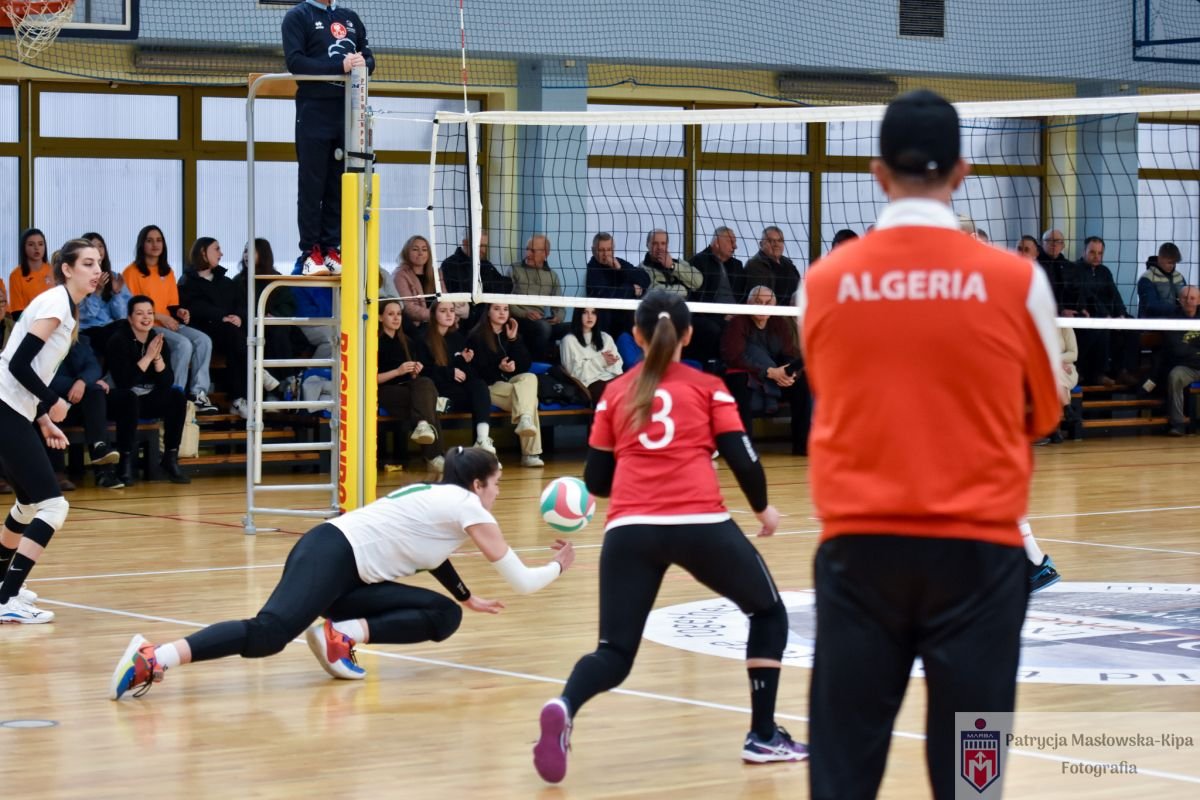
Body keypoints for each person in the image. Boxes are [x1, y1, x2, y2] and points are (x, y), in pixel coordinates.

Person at [798, 90, 1060, 800]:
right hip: (980, 561)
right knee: (974, 780)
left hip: (860, 556)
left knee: (842, 773)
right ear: (963, 171)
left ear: (879, 173)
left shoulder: (824, 283)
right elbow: (1043, 413)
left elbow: (832, 388)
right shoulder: (1018, 281)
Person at [532, 290, 804, 786]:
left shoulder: (615, 392)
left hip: (630, 530)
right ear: (689, 335)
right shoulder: (708, 387)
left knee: (614, 653)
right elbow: (743, 459)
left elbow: (596, 481)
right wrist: (763, 509)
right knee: (767, 613)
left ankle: (564, 704)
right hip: (700, 523)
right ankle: (763, 735)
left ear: (636, 336)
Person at [110, 446, 575, 699]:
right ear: (477, 484)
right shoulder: (468, 505)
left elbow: (433, 555)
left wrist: (465, 596)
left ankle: (342, 636)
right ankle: (154, 656)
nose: (497, 493)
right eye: (496, 484)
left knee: (445, 614)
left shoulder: (440, 497)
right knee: (269, 633)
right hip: (331, 556)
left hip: (343, 567)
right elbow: (522, 582)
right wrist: (559, 564)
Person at [0, 238, 103, 623]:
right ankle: (7, 599)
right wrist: (52, 402)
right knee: (54, 506)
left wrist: (42, 419)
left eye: (99, 263)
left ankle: (2, 588)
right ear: (67, 269)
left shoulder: (65, 306)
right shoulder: (56, 303)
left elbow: (26, 369)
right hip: (6, 407)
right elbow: (17, 365)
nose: (97, 271)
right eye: (88, 263)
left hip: (13, 408)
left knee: (28, 505)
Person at [282, 0, 374, 276]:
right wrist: (340, 66)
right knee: (312, 184)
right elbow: (296, 62)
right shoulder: (298, 16)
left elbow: (370, 59)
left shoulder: (349, 17)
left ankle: (332, 248)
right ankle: (310, 252)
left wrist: (363, 63)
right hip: (314, 109)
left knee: (338, 182)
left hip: (346, 110)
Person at [121, 225, 218, 413]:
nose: (155, 244)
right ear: (142, 245)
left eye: (159, 240)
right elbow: (132, 308)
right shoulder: (131, 272)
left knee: (203, 340)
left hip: (168, 322)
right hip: (147, 326)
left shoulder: (167, 271)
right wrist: (159, 317)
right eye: (149, 240)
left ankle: (198, 394)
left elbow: (172, 305)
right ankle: (175, 395)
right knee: (183, 345)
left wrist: (180, 312)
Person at [106, 295, 192, 486]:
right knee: (129, 398)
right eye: (139, 313)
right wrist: (147, 357)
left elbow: (166, 382)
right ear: (130, 318)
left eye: (150, 313)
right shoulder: (118, 340)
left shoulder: (157, 339)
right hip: (119, 399)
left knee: (176, 396)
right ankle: (124, 464)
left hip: (146, 398)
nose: (146, 317)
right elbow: (124, 382)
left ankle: (170, 458)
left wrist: (157, 358)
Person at [719, 285, 810, 455]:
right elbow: (734, 357)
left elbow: (788, 354)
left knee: (802, 383)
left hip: (774, 377)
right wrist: (769, 371)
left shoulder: (779, 323)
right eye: (758, 301)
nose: (763, 306)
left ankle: (802, 445)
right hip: (749, 375)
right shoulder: (738, 322)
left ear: (774, 306)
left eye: (768, 303)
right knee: (739, 381)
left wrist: (789, 374)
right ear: (748, 303)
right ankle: (746, 449)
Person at [467, 303, 545, 468]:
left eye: (505, 309)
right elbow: (477, 373)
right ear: (488, 312)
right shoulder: (476, 336)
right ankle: (530, 454)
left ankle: (525, 419)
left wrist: (513, 339)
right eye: (496, 309)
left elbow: (525, 365)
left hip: (509, 384)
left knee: (530, 377)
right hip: (488, 388)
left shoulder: (512, 334)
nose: (502, 313)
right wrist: (499, 367)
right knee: (530, 400)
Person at [179, 237, 250, 416]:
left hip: (230, 334)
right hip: (204, 331)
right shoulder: (187, 281)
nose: (221, 253)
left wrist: (239, 317)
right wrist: (221, 317)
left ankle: (241, 398)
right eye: (216, 249)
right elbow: (194, 307)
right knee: (235, 338)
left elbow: (241, 305)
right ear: (203, 252)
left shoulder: (226, 282)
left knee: (237, 336)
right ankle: (245, 390)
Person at [377, 298, 444, 473]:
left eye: (399, 314)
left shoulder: (407, 341)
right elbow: (370, 379)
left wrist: (414, 371)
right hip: (383, 390)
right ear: (380, 317)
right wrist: (397, 371)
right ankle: (434, 457)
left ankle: (423, 425)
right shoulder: (374, 342)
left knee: (425, 382)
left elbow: (413, 377)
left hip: (407, 388)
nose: (396, 318)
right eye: (391, 314)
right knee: (428, 404)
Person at [422, 301, 496, 456]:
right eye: (443, 311)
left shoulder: (458, 338)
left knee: (479, 386)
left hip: (456, 392)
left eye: (451, 310)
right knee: (474, 394)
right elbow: (423, 371)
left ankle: (482, 438)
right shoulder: (424, 338)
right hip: (437, 391)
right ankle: (436, 455)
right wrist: (450, 372)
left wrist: (464, 361)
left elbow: (465, 373)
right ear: (434, 315)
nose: (449, 314)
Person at [47, 339, 124, 490]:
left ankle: (101, 455)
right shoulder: (42, 341)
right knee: (93, 389)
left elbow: (93, 367)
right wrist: (79, 384)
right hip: (49, 400)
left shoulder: (79, 341)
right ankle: (57, 472)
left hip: (77, 403)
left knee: (96, 394)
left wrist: (82, 382)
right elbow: (44, 378)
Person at [509, 234, 569, 360]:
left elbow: (560, 306)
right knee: (543, 328)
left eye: (533, 251)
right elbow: (506, 301)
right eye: (527, 249)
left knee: (574, 327)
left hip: (540, 320)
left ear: (545, 253)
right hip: (519, 319)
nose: (528, 254)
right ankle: (535, 364)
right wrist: (525, 314)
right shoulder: (514, 269)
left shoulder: (552, 276)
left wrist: (558, 317)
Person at [78, 232, 131, 361]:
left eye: (100, 246)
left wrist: (116, 293)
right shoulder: (78, 278)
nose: (98, 250)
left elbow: (122, 315)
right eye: (93, 246)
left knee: (131, 330)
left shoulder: (114, 276)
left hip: (111, 327)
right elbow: (86, 316)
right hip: (89, 330)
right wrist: (97, 291)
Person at [584, 232, 648, 336]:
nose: (606, 254)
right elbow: (605, 296)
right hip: (606, 324)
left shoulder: (618, 263)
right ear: (593, 250)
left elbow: (645, 278)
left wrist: (621, 269)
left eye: (609, 249)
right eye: (601, 250)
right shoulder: (592, 268)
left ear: (613, 250)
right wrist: (631, 289)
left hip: (626, 321)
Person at [558, 307, 623, 405]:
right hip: (591, 385)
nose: (590, 317)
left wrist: (611, 361)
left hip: (613, 379)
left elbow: (618, 368)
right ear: (578, 315)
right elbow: (575, 374)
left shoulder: (606, 337)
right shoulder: (568, 340)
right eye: (585, 312)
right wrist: (601, 362)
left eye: (593, 313)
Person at [1165, 286, 1200, 437]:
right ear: (1179, 300)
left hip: (1191, 361)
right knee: (1175, 375)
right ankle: (1177, 424)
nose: (1188, 301)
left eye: (1192, 298)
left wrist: (1190, 349)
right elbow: (1178, 350)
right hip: (1187, 367)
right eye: (1185, 298)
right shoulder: (1173, 319)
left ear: (1199, 300)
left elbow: (1185, 349)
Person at [7, 228, 53, 322]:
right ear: (24, 247)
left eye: (40, 244)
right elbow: (17, 312)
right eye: (31, 244)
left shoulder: (54, 271)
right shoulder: (16, 275)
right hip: (29, 324)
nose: (37, 248)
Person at [745, 226, 800, 305]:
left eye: (780, 240)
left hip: (793, 310)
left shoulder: (789, 264)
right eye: (770, 241)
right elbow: (760, 299)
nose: (776, 244)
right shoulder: (754, 265)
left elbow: (799, 289)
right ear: (761, 244)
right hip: (770, 310)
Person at [1137, 242, 1187, 319]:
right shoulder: (1147, 278)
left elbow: (1187, 298)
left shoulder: (1179, 277)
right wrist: (1178, 309)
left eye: (1174, 263)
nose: (1172, 266)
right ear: (1160, 258)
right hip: (1152, 323)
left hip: (1177, 322)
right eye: (1169, 262)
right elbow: (1150, 306)